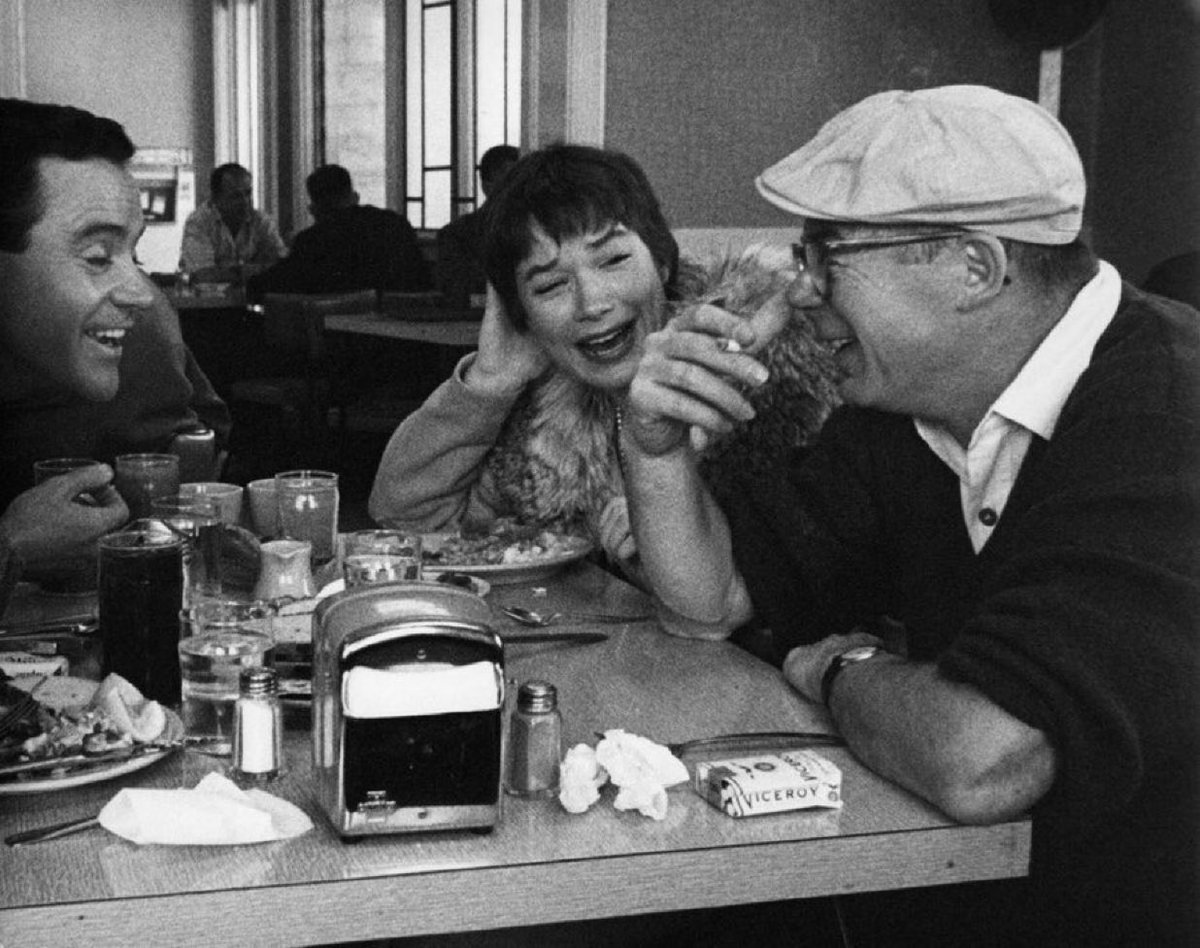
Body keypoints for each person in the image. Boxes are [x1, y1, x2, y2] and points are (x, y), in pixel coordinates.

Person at [621, 85, 1199, 945]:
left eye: (829, 253)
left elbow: (984, 761)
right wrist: (656, 450)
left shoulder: (1166, 414)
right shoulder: (909, 408)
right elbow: (710, 603)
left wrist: (839, 669)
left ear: (974, 267)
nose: (801, 289)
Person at [369, 143, 838, 588]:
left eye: (613, 259)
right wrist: (490, 382)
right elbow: (408, 521)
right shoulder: (541, 412)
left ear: (662, 261)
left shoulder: (758, 366)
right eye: (550, 286)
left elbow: (792, 586)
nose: (591, 303)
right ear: (523, 317)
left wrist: (667, 534)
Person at [0, 98, 231, 617]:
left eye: (135, 253)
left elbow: (199, 439)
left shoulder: (135, 348)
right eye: (99, 257)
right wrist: (11, 549)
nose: (142, 293)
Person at [245, 163, 431, 301]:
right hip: (402, 324)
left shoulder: (313, 240)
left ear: (315, 208)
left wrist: (247, 283)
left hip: (339, 334)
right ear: (354, 195)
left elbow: (275, 283)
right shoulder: (395, 224)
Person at [434, 144, 520, 308]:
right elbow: (457, 293)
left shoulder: (538, 232)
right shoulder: (458, 235)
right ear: (487, 186)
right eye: (509, 183)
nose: (518, 192)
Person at [179, 162, 286, 284]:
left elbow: (281, 266)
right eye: (236, 196)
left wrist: (230, 273)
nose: (245, 201)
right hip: (207, 300)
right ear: (215, 198)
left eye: (248, 193)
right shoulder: (199, 223)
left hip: (250, 298)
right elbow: (204, 275)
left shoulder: (260, 221)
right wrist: (254, 270)